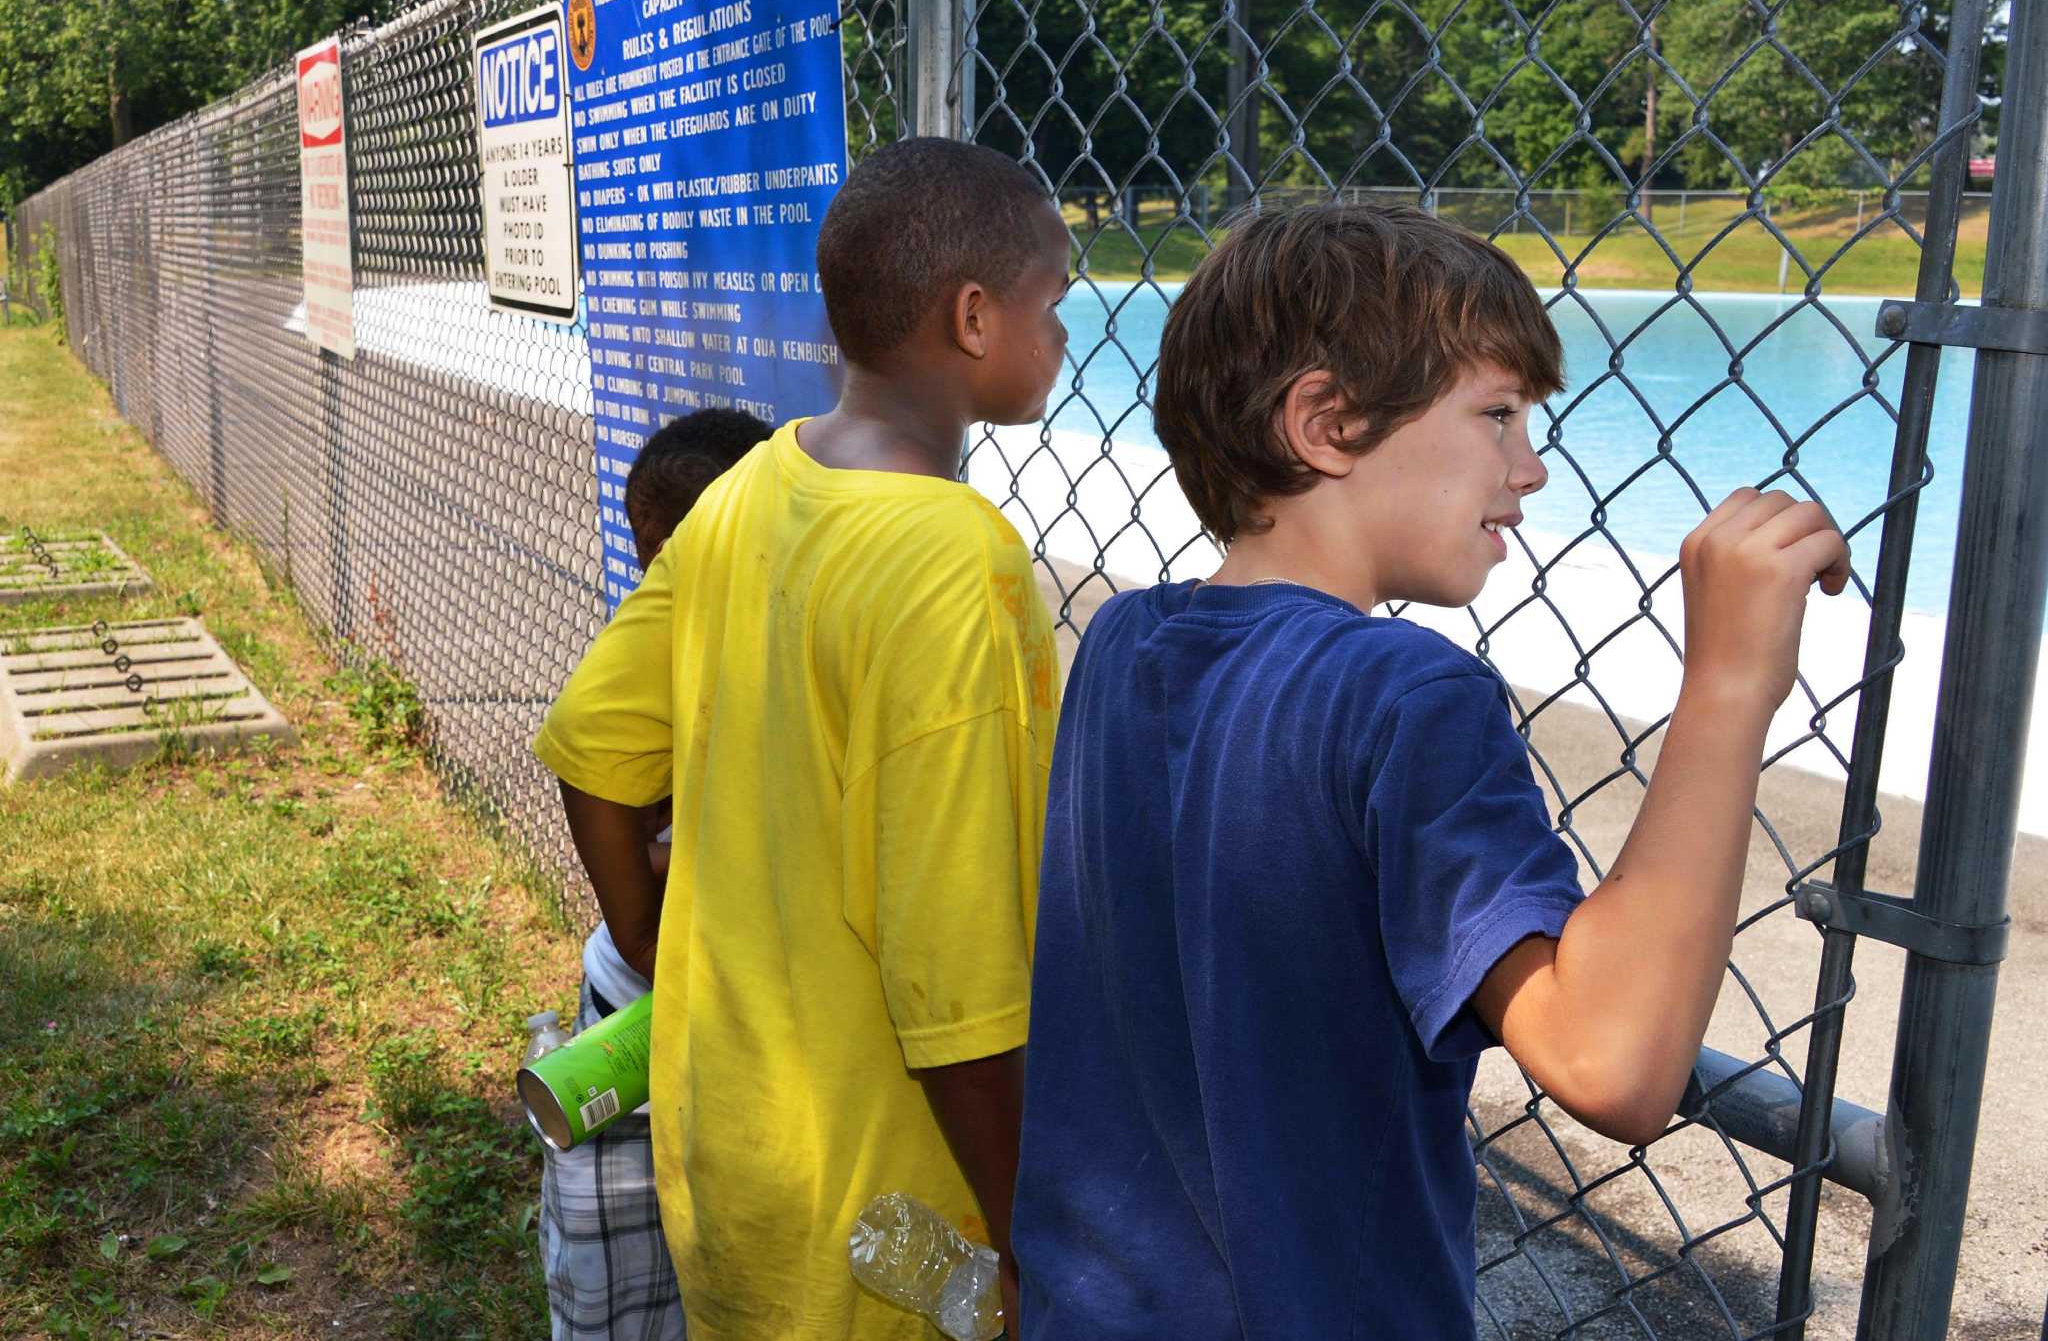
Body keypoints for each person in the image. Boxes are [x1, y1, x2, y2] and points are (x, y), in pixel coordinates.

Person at [1009, 201, 1851, 1338]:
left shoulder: (1121, 643)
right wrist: (1725, 687)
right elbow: (1610, 1063)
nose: (1533, 468)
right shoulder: (1408, 696)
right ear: (1327, 422)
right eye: (1496, 415)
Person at [531, 137, 1070, 1340]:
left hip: (729, 1156)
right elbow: (956, 975)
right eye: (1056, 298)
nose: (1066, 328)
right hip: (892, 1217)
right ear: (975, 317)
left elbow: (591, 749)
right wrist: (1029, 1232)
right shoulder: (953, 554)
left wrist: (650, 947)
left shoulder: (740, 491)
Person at [538, 406, 773, 1341]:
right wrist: (644, 925)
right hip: (645, 1006)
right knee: (633, 1279)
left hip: (731, 1013)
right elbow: (593, 756)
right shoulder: (673, 626)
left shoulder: (764, 635)